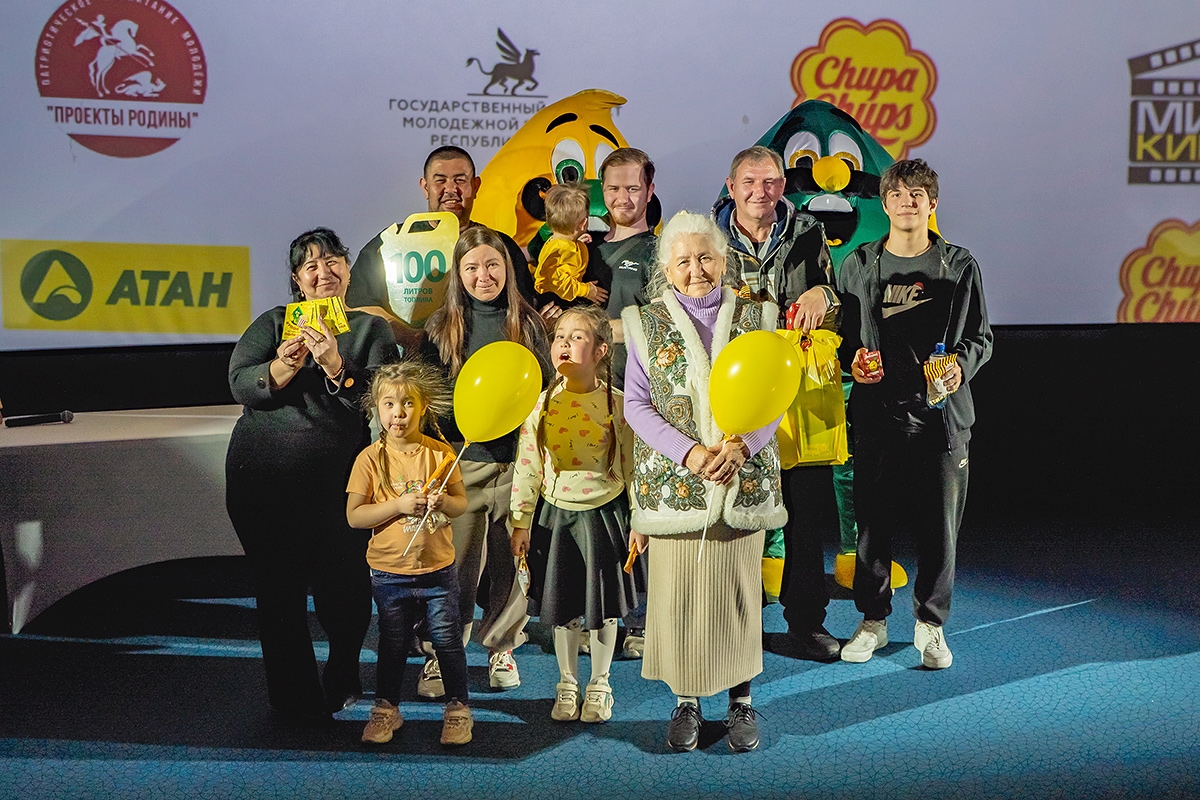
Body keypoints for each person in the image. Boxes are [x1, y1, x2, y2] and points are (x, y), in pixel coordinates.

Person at [622, 210, 786, 754]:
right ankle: (687, 702)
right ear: (666, 269)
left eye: (706, 257)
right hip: (677, 486)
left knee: (739, 598)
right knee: (680, 601)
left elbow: (774, 396)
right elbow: (636, 405)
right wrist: (689, 453)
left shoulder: (759, 317)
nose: (696, 270)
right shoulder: (644, 323)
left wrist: (743, 446)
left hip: (743, 482)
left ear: (724, 259)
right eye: (684, 261)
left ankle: (741, 702)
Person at [225, 227, 397, 723]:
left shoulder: (370, 329)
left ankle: (343, 669)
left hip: (338, 487)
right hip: (261, 481)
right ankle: (294, 700)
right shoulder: (275, 322)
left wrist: (336, 365)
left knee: (345, 587)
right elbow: (240, 382)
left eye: (332, 261)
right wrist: (281, 366)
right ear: (298, 280)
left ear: (348, 270)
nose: (324, 272)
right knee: (277, 592)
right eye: (311, 266)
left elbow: (380, 399)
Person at [835, 159, 993, 670]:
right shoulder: (859, 264)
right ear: (884, 205)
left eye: (917, 194)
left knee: (939, 528)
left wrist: (958, 369)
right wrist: (852, 362)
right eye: (898, 194)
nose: (907, 202)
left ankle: (930, 623)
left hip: (941, 419)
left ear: (932, 204)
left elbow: (981, 338)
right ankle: (872, 620)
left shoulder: (958, 264)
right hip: (878, 415)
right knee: (871, 526)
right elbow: (843, 339)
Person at [713, 145, 842, 662]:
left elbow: (837, 302)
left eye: (769, 182)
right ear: (731, 186)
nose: (759, 192)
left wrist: (823, 296)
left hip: (794, 391)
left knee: (804, 514)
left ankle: (806, 623)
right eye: (749, 182)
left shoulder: (808, 232)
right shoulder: (709, 237)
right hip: (734, 394)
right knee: (736, 515)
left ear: (783, 186)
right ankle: (733, 628)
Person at [417, 225, 552, 694]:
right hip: (463, 465)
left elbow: (545, 391)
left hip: (518, 467)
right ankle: (440, 652)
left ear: (507, 269)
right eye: (472, 267)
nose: (484, 275)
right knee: (454, 568)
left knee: (511, 565)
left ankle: (503, 647)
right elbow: (427, 401)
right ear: (458, 274)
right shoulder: (441, 328)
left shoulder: (528, 324)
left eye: (493, 265)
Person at [508, 305, 637, 723]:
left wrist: (640, 520)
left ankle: (600, 683)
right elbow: (528, 466)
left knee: (602, 608)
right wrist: (521, 521)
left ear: (601, 350)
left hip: (604, 517)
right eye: (559, 335)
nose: (563, 342)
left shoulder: (620, 405)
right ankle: (567, 682)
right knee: (562, 607)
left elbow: (633, 467)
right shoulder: (540, 405)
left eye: (576, 336)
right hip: (556, 519)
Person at [346, 362, 473, 746]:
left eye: (407, 404)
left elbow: (461, 503)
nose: (398, 413)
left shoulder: (440, 454)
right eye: (388, 404)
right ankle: (387, 708)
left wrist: (443, 502)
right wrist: (399, 506)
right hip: (389, 572)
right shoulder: (369, 459)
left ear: (423, 407)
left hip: (437, 570)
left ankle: (458, 708)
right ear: (376, 408)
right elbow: (355, 516)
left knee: (447, 640)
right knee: (392, 641)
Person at [346, 146, 556, 351]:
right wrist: (409, 337)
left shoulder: (501, 246)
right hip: (412, 366)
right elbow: (357, 303)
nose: (450, 190)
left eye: (460, 180)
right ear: (425, 187)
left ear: (475, 186)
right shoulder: (392, 243)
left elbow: (524, 306)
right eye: (440, 181)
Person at [531, 183, 607, 306]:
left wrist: (577, 242)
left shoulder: (561, 244)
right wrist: (586, 290)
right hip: (554, 301)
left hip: (562, 296)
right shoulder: (560, 250)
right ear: (583, 224)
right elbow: (559, 283)